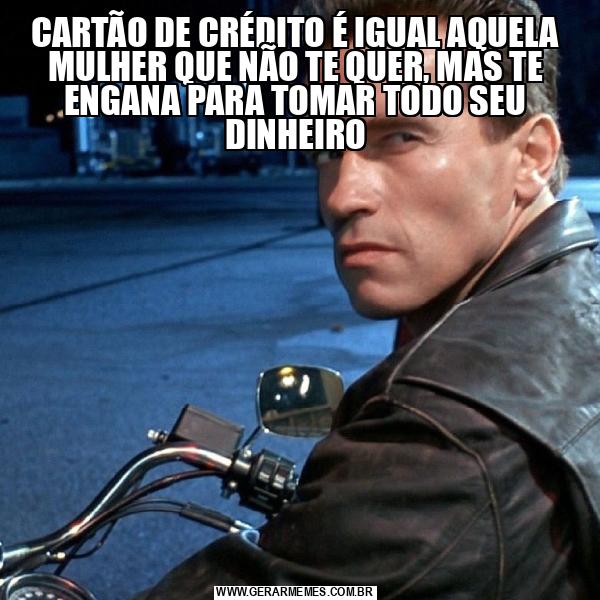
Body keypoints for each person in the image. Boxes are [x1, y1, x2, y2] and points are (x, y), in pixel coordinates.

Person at [132, 1, 600, 598]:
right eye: (330, 146)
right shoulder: (577, 296)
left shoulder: (446, 439)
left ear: (530, 156)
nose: (340, 195)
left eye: (401, 135)